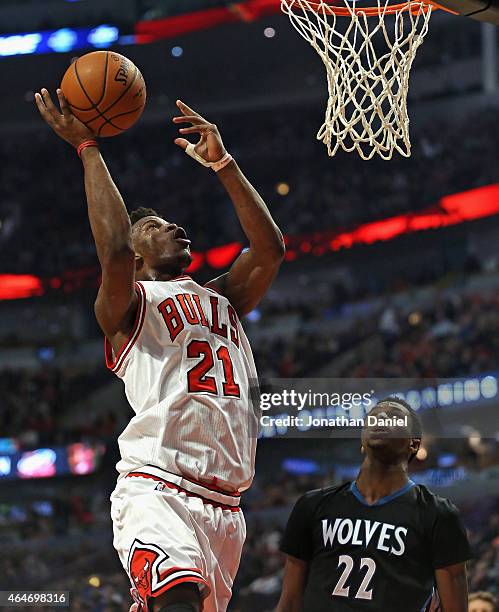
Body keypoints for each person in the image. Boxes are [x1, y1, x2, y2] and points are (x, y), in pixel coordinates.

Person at [35, 88, 285, 612]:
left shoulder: (222, 298)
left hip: (227, 507)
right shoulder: (127, 308)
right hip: (157, 486)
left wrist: (225, 165)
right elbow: (114, 250)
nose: (174, 226)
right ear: (139, 253)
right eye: (155, 226)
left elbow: (270, 249)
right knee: (176, 602)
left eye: (169, 222)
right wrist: (89, 149)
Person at [277, 397, 472, 612]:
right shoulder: (312, 505)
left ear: (414, 443)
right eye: (374, 417)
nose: (382, 419)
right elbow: (289, 603)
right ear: (362, 441)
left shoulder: (438, 515)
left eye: (394, 418)